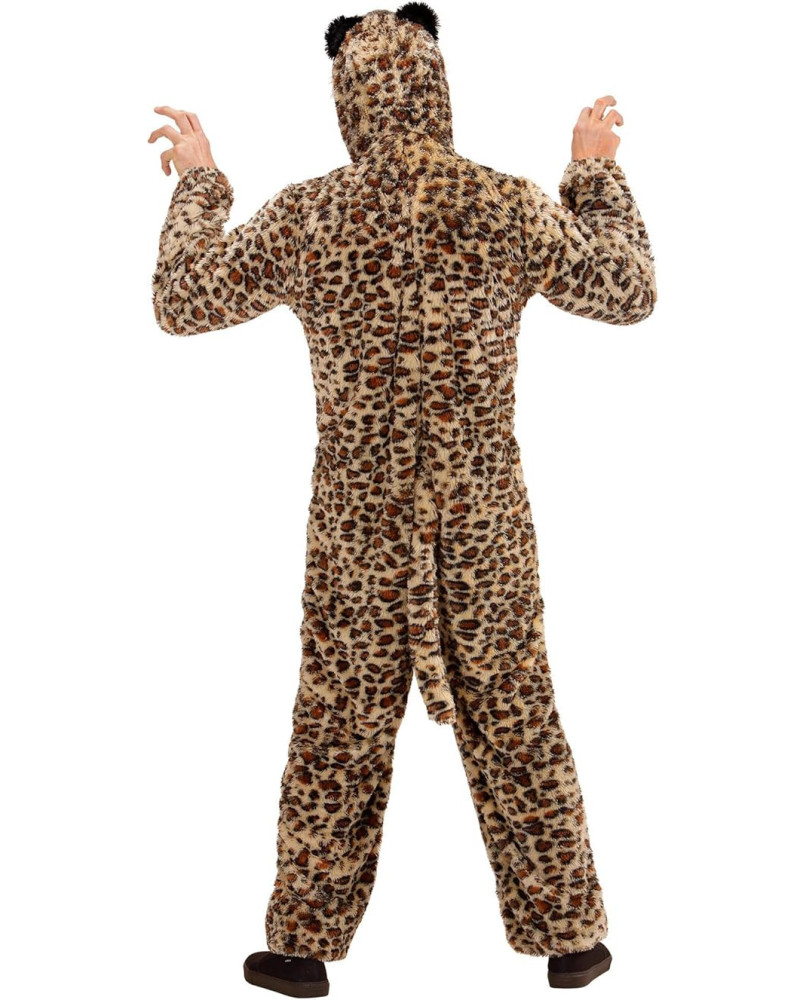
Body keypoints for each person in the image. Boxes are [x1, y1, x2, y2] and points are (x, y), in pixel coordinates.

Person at [148, 3, 656, 994]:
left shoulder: (310, 215)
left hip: (356, 529)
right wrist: (593, 171)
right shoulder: (503, 205)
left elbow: (181, 298)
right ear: (437, 85)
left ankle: (299, 948)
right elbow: (628, 288)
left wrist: (201, 183)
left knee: (336, 724)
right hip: (484, 524)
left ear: (346, 95)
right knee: (516, 710)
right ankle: (571, 938)